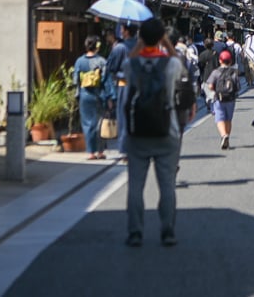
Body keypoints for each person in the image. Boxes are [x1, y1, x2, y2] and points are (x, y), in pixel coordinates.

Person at [120, 18, 184, 247]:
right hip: (166, 130)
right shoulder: (171, 65)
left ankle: (135, 232)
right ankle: (168, 231)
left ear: (140, 38)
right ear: (161, 38)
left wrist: (142, 42)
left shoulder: (132, 65)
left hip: (138, 132)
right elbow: (177, 63)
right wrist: (165, 42)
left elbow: (129, 60)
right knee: (167, 185)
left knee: (135, 185)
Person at [106, 22, 138, 160]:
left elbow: (110, 68)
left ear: (125, 31)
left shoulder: (119, 48)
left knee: (124, 117)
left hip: (125, 85)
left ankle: (126, 150)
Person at [74, 35, 108, 160]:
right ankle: (100, 151)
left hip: (84, 94)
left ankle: (91, 152)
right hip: (98, 94)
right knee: (99, 123)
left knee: (87, 123)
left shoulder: (79, 61)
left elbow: (75, 80)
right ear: (97, 46)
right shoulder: (101, 61)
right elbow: (106, 80)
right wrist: (110, 97)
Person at [205, 50, 238, 150]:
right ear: (230, 61)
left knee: (219, 118)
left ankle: (224, 135)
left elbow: (210, 86)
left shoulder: (216, 72)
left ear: (220, 60)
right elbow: (237, 86)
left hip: (219, 98)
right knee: (228, 119)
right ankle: (227, 135)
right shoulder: (234, 72)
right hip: (231, 99)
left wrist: (215, 89)